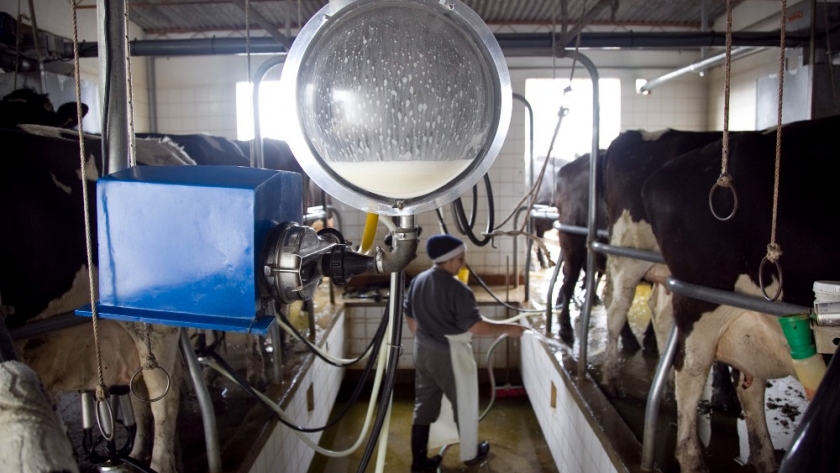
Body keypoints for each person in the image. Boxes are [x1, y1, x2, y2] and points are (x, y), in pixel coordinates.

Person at [403, 234, 526, 472]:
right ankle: (470, 455)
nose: (463, 263)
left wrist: (429, 333)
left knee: (424, 406)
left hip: (422, 350)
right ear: (448, 260)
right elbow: (476, 327)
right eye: (460, 259)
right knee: (465, 403)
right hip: (448, 354)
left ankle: (418, 463)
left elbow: (411, 319)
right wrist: (509, 329)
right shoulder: (458, 289)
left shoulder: (418, 280)